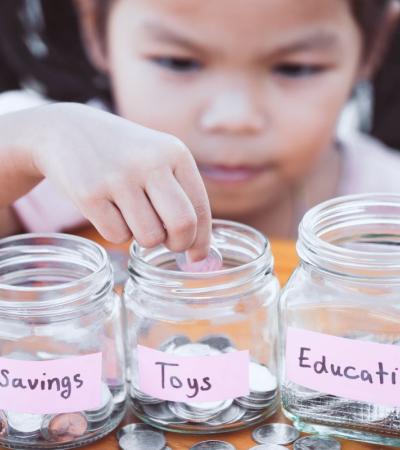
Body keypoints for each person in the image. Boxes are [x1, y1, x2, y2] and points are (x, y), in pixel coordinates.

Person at [0, 0, 399, 248]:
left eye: (296, 68)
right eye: (178, 62)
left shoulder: (386, 204)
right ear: (95, 29)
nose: (234, 119)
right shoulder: (51, 162)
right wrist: (30, 141)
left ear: (373, 46)